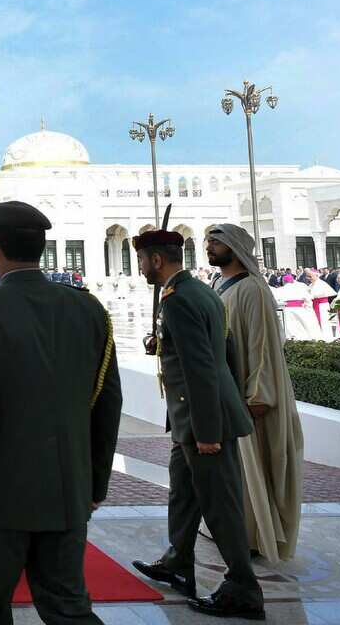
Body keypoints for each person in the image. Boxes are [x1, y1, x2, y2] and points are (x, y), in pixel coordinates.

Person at [0, 202, 121, 625]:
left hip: (1, 496)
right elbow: (108, 403)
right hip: (68, 490)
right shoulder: (89, 309)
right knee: (68, 607)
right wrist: (94, 485)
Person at [131, 229, 264, 620]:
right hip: (194, 418)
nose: (139, 268)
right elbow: (222, 347)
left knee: (219, 505)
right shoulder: (202, 291)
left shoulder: (179, 299)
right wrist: (164, 344)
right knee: (184, 494)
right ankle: (178, 561)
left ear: (157, 260)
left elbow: (202, 368)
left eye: (142, 260)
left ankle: (243, 586)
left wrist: (207, 431)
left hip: (203, 421)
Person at [206, 224, 304, 564]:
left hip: (249, 395)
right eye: (208, 241)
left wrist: (258, 394)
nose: (209, 246)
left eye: (216, 242)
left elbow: (263, 346)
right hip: (226, 392)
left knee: (253, 467)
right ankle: (234, 531)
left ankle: (254, 535)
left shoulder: (252, 289)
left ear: (234, 247)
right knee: (233, 470)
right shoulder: (219, 285)